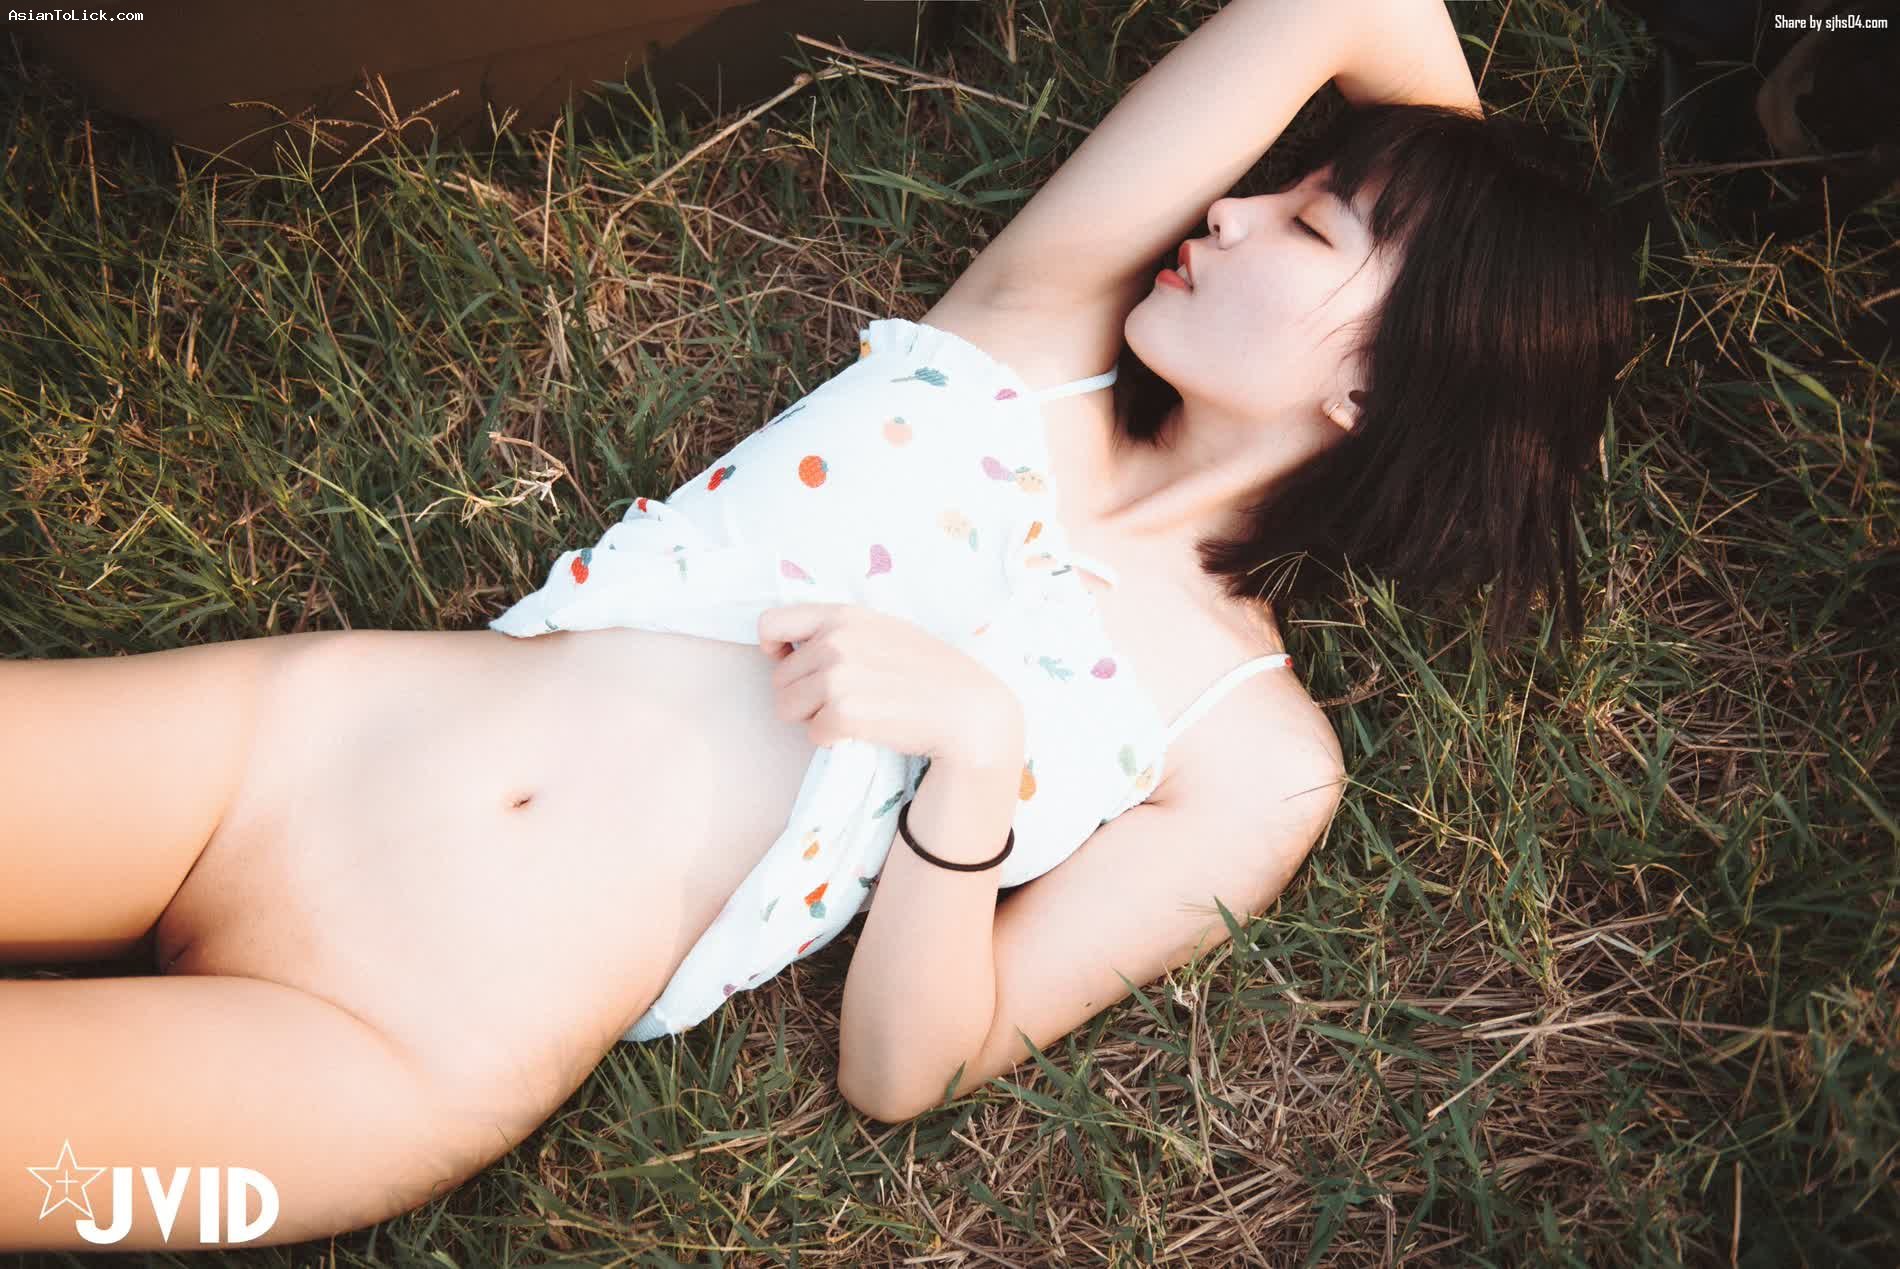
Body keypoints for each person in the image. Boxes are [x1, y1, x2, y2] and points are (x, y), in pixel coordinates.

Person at [0, 0, 1634, 1251]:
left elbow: (909, 1067)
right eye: (1277, 192)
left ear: (1381, 386)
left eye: (1309, 226)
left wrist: (975, 757)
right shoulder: (1039, 331)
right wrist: (1485, 233)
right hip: (294, 740)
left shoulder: (1252, 757)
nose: (1229, 211)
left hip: (397, 1049)